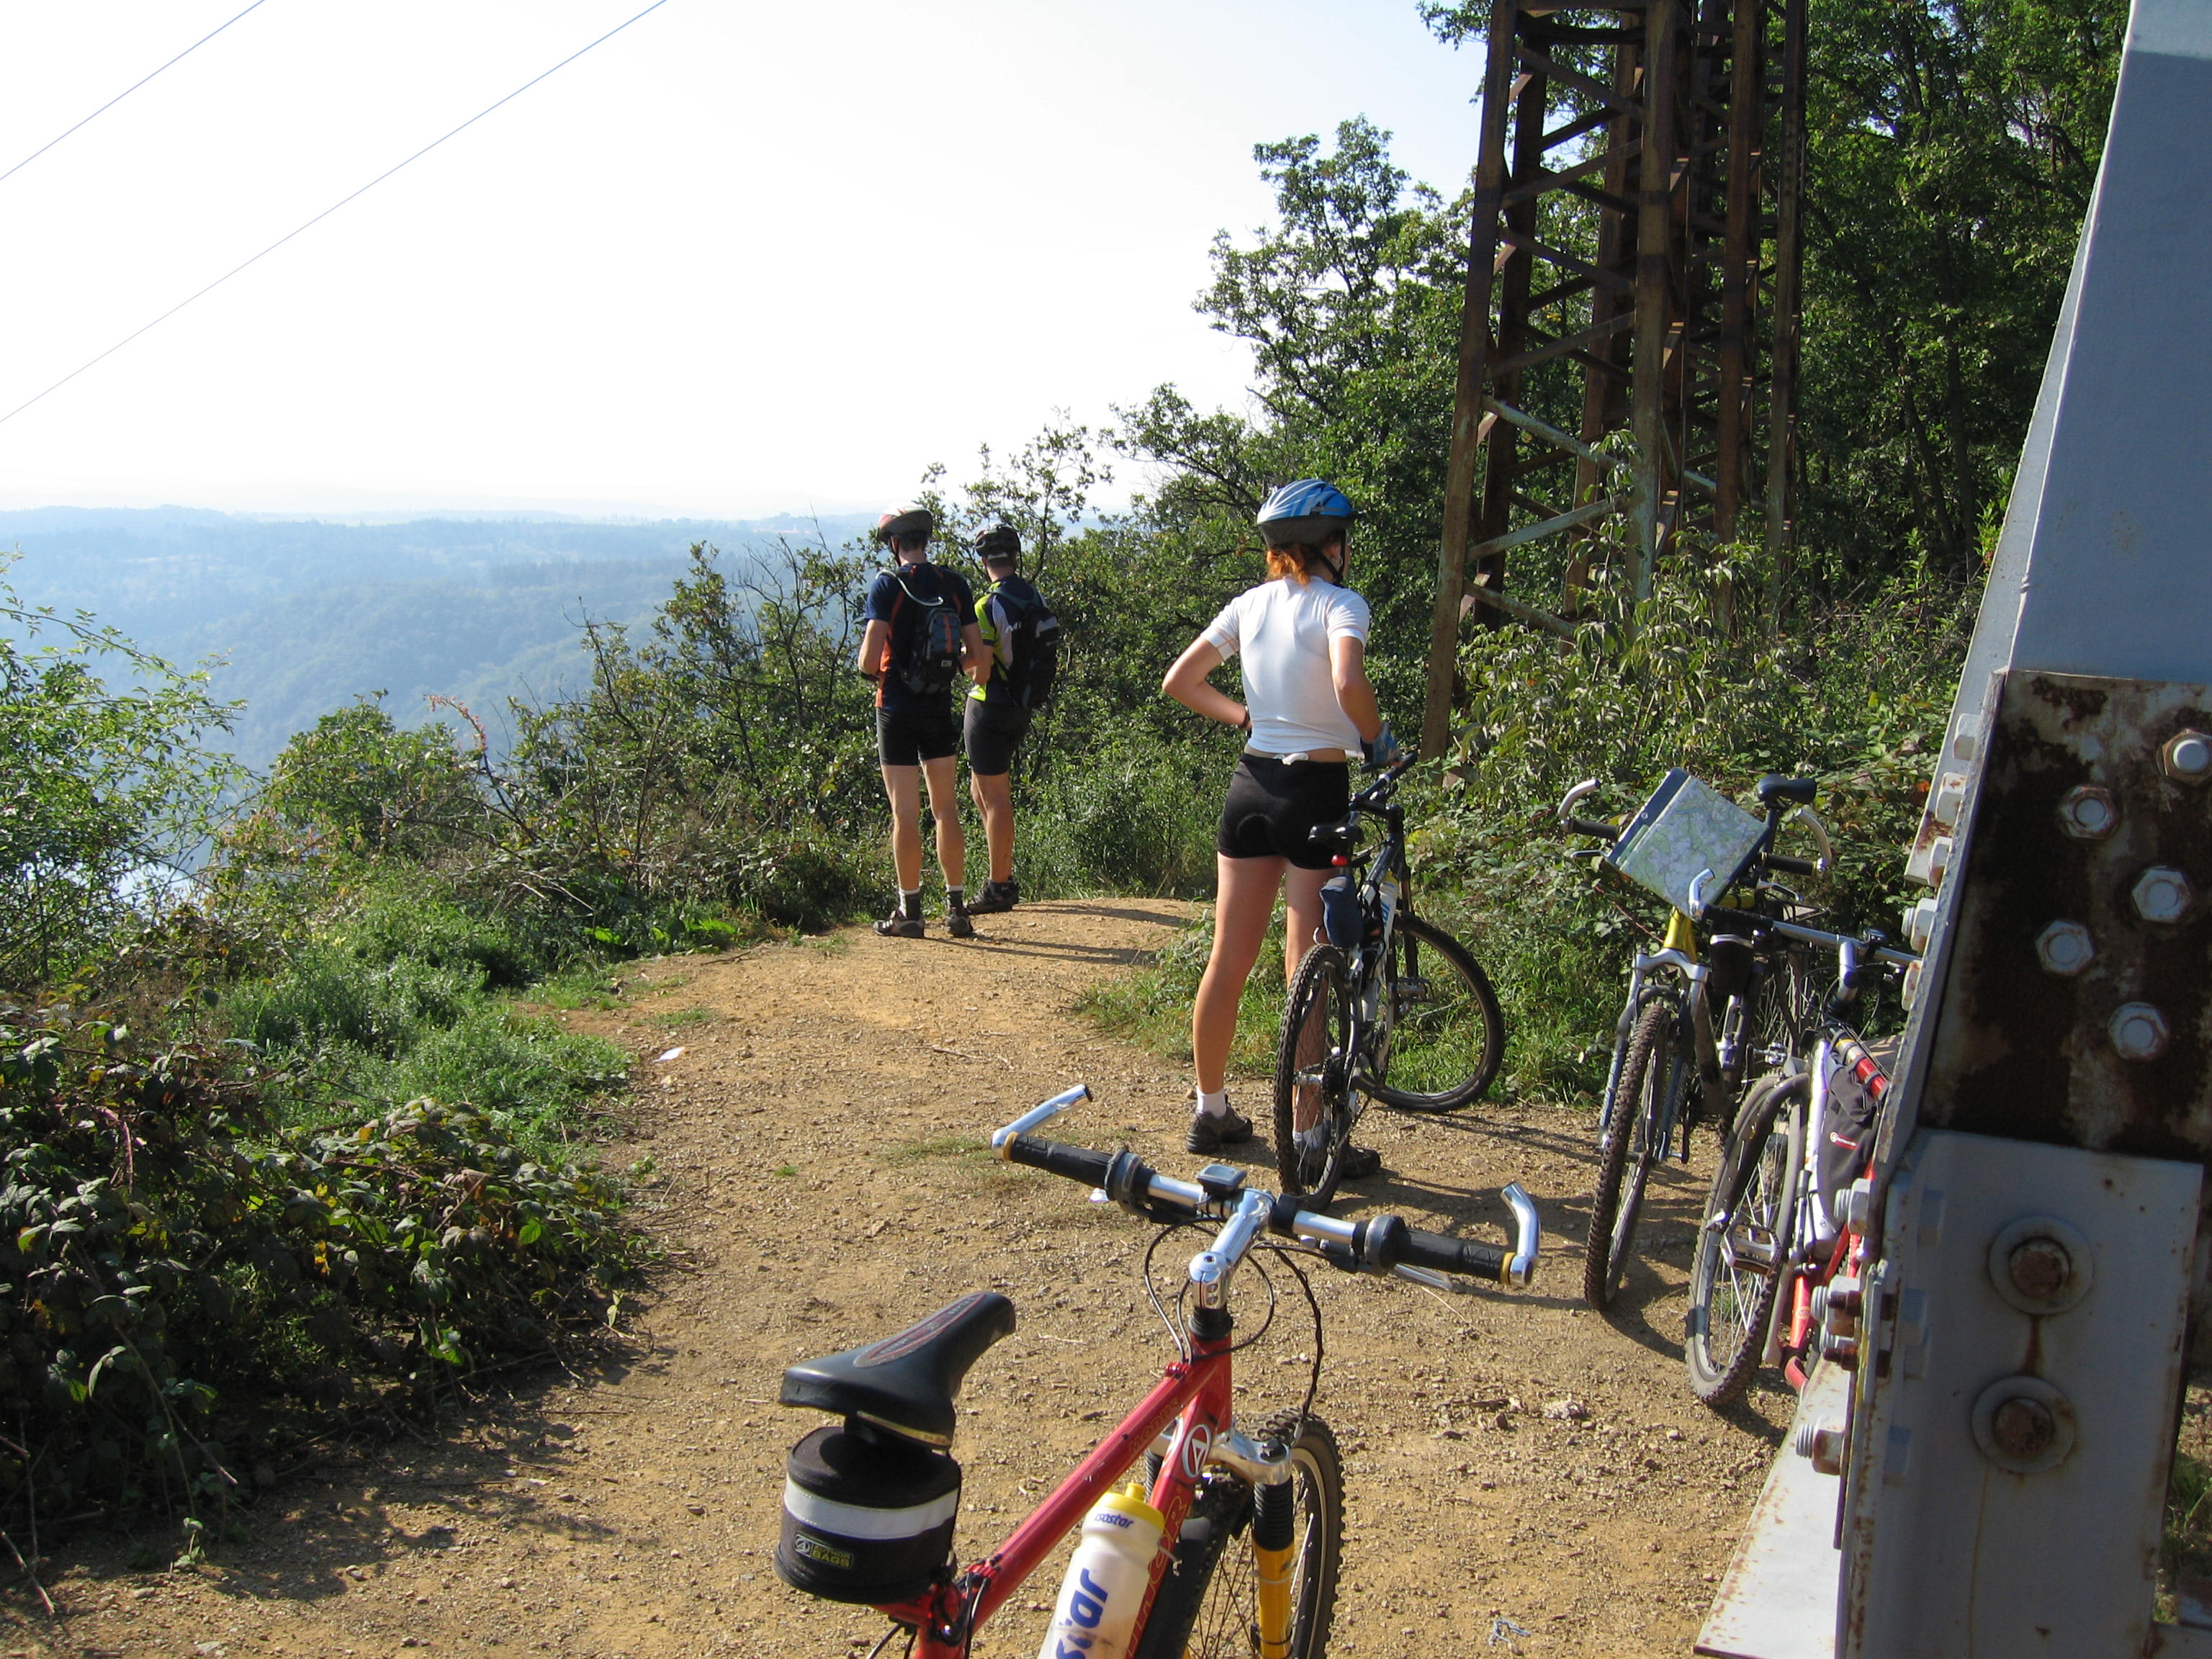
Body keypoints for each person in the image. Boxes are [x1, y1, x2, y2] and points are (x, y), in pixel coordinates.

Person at [1161, 479, 1400, 1169]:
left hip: (1251, 786)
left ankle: (1211, 1111)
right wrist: (1377, 740)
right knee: (1308, 970)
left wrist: (1246, 717)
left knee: (1227, 959)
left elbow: (1181, 680)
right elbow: (1349, 684)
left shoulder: (1249, 605)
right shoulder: (1341, 604)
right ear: (1331, 545)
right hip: (1315, 792)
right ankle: (1309, 1134)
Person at [856, 504, 986, 939]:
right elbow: (978, 662)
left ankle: (910, 912)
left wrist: (882, 671)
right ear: (925, 541)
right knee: (946, 809)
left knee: (905, 814)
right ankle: (957, 909)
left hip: (895, 707)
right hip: (937, 708)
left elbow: (869, 660)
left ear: (895, 544)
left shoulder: (887, 585)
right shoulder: (953, 583)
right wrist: (944, 668)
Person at [961, 524, 1059, 915]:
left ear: (984, 562)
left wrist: (960, 660)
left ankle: (999, 886)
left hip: (988, 707)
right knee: (981, 791)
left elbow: (980, 672)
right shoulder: (1032, 596)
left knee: (996, 798)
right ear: (1015, 558)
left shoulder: (988, 606)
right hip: (1021, 706)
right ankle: (1001, 872)